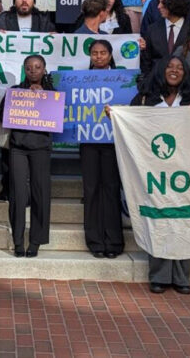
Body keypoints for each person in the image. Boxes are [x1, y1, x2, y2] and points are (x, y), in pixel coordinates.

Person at [134, 56, 190, 295]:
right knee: (159, 221)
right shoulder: (146, 99)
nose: (174, 71)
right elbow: (130, 120)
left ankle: (182, 277)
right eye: (170, 67)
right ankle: (159, 276)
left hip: (186, 172)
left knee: (184, 222)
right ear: (161, 71)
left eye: (179, 68)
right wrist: (116, 115)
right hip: (155, 171)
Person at [0, 55, 55, 258]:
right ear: (24, 69)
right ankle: (18, 241)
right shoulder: (15, 92)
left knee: (40, 194)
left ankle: (36, 241)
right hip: (18, 149)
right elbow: (2, 117)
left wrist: (43, 97)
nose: (33, 71)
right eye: (29, 67)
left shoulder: (52, 93)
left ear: (44, 69)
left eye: (37, 67)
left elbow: (58, 118)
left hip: (40, 148)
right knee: (18, 195)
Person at [77, 40, 124, 259]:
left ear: (110, 54)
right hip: (88, 141)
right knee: (92, 190)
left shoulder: (123, 79)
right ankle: (95, 240)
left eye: (103, 53)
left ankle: (114, 241)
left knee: (111, 189)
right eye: (94, 53)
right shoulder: (80, 80)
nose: (98, 56)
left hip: (113, 142)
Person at [140, 0, 190, 83]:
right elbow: (146, 62)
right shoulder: (152, 29)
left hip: (186, 85)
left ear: (174, 4)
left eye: (163, 3)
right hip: (157, 84)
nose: (158, 7)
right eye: (159, 3)